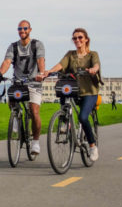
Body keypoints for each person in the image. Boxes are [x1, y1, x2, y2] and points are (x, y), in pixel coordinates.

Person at [44, 27, 102, 161]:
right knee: (63, 90)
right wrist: (49, 72)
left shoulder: (92, 54)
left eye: (80, 37)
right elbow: (61, 65)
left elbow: (96, 65)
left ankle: (92, 146)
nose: (77, 40)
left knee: (82, 118)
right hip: (74, 91)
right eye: (75, 38)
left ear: (86, 39)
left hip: (89, 92)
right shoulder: (70, 54)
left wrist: (93, 69)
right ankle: (64, 120)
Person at [0, 20, 45, 155]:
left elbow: (40, 60)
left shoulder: (37, 45)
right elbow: (7, 61)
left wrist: (41, 73)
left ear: (30, 29)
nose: (22, 31)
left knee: (34, 111)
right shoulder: (13, 47)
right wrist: (0, 73)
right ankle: (16, 118)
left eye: (25, 28)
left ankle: (35, 142)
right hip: (18, 82)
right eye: (20, 29)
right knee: (12, 99)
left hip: (34, 82)